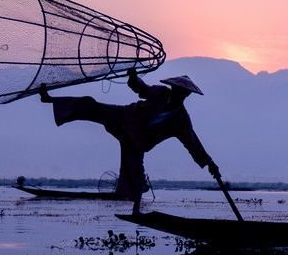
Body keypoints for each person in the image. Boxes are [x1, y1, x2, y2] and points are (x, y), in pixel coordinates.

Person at [40, 69, 219, 214]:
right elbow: (143, 89)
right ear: (173, 89)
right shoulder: (161, 92)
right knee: (91, 106)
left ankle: (136, 211)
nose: (179, 94)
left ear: (186, 96)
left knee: (136, 173)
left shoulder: (181, 120)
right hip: (125, 117)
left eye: (183, 93)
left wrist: (210, 164)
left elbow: (193, 144)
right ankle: (51, 100)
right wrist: (133, 77)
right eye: (177, 90)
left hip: (139, 140)